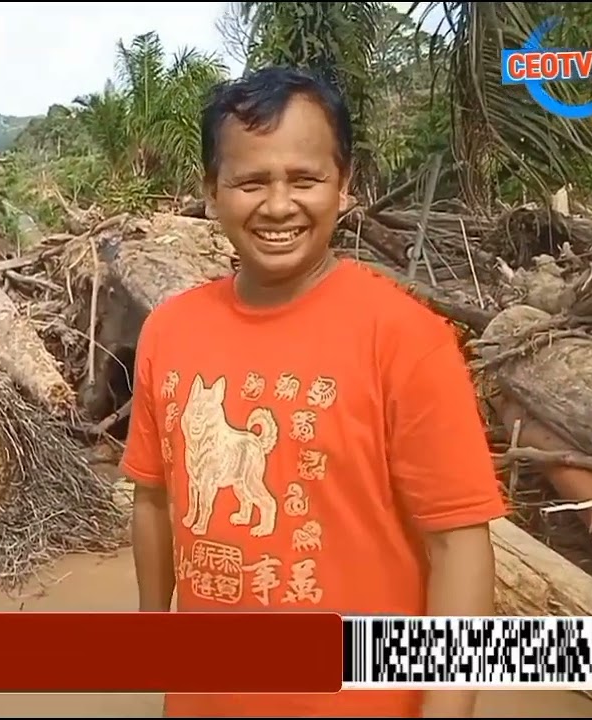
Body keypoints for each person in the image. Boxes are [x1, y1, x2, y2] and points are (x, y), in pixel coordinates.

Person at [120, 66, 507, 719]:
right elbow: (153, 502)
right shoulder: (170, 331)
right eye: (250, 181)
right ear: (210, 190)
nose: (277, 205)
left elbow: (459, 546)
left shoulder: (407, 340)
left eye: (304, 179)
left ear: (345, 183)